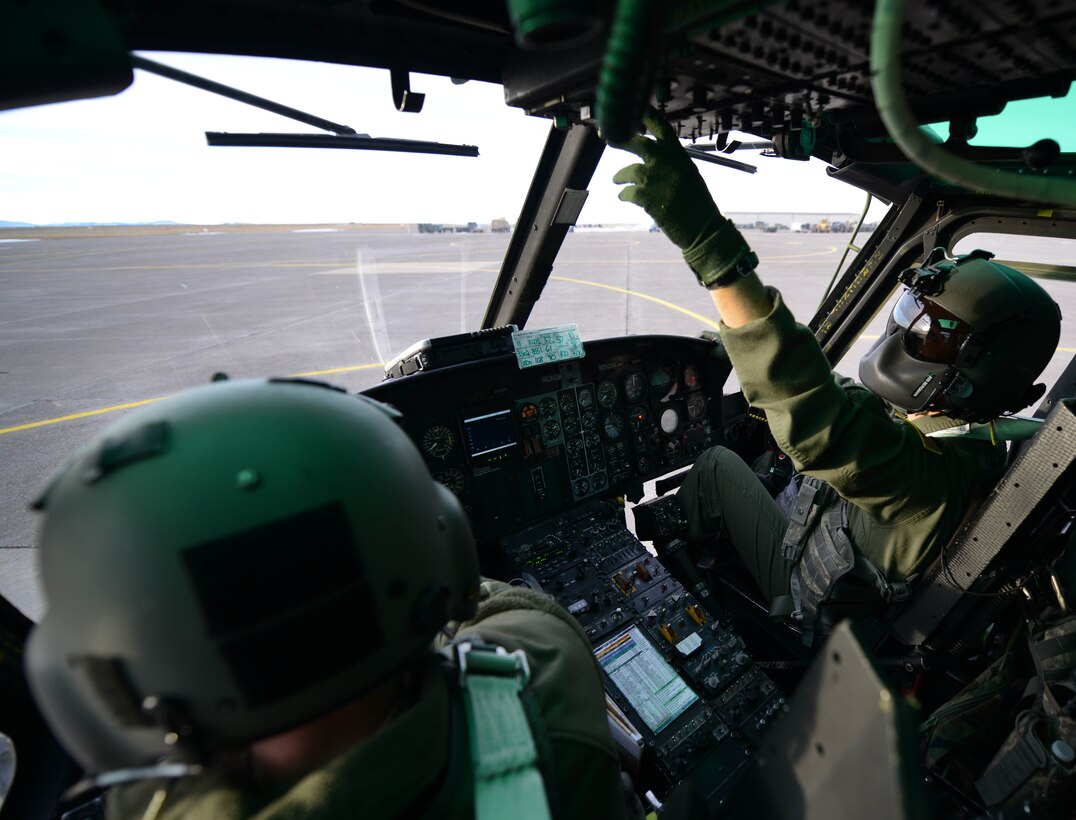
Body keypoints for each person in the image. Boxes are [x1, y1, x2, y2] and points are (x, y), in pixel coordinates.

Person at [26, 378, 630, 819]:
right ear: (445, 554)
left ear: (90, 701)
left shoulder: (153, 806)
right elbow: (513, 611)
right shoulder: (549, 682)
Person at [613, 110, 1062, 637]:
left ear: (973, 371)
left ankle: (657, 580)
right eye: (909, 313)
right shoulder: (967, 436)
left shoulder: (933, 474)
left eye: (930, 330)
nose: (905, 331)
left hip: (806, 598)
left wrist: (711, 248)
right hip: (842, 563)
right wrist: (750, 352)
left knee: (715, 465)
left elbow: (819, 422)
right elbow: (861, 415)